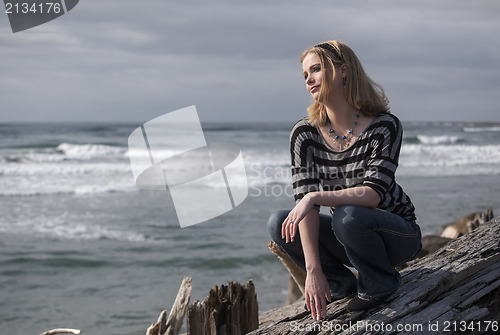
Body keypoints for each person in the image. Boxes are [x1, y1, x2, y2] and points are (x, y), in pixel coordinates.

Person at [267, 40, 422, 320]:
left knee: (348, 215)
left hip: (396, 235)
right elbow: (306, 207)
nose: (309, 79)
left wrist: (314, 197)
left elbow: (372, 195)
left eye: (316, 69)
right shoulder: (304, 134)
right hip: (349, 237)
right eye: (305, 75)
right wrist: (314, 271)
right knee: (281, 222)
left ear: (343, 71)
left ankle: (380, 282)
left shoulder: (384, 125)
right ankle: (340, 283)